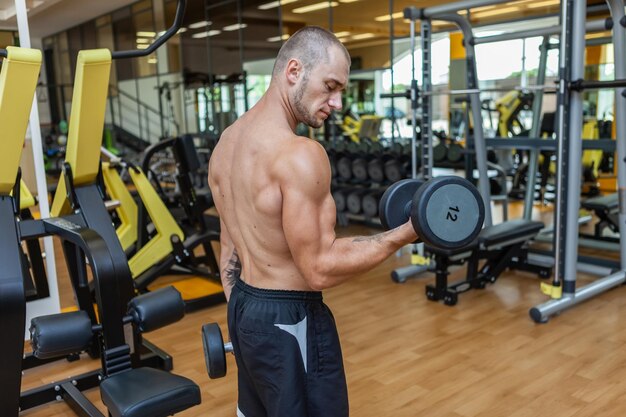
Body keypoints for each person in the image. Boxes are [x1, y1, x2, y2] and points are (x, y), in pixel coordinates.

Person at [208, 26, 417, 417]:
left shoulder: (227, 143)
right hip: (291, 317)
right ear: (293, 71)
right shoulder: (300, 154)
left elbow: (230, 247)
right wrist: (405, 234)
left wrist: (246, 317)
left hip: (243, 306)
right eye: (330, 86)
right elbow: (319, 268)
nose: (336, 102)